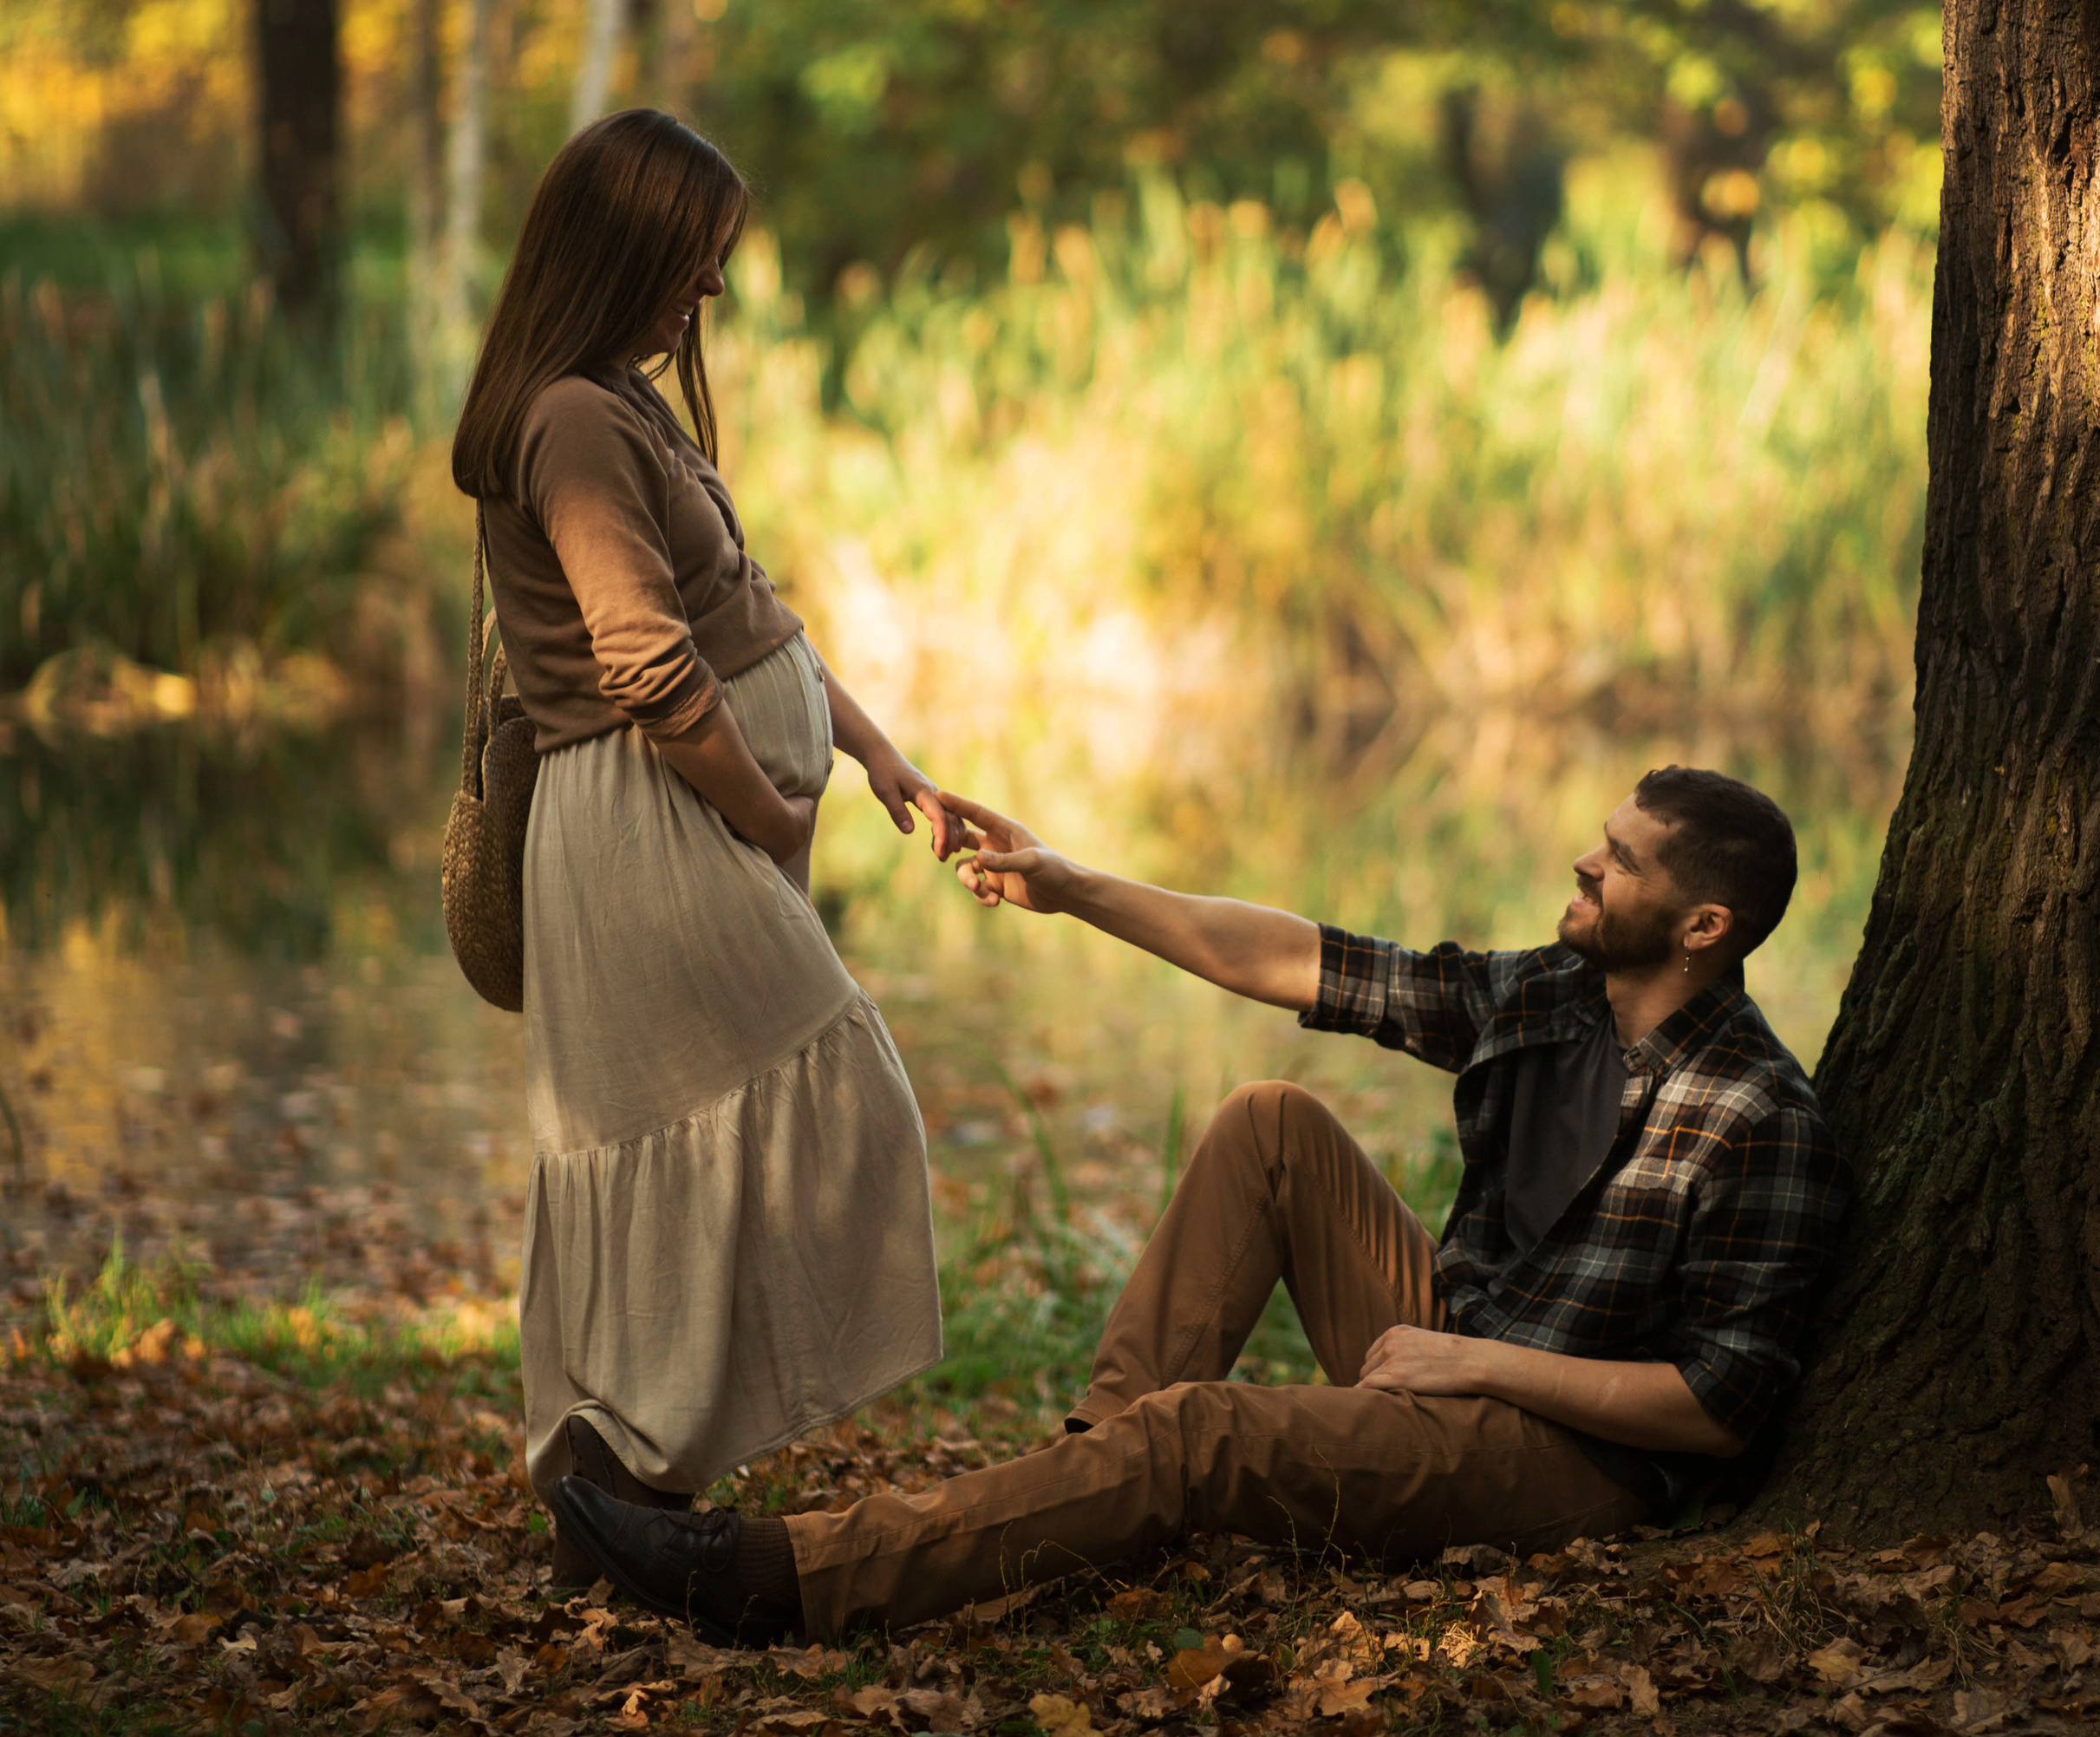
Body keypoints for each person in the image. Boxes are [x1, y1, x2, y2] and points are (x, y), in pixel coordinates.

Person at [554, 764, 1851, 1637]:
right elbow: (1300, 960)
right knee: (1266, 1123)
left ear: (1704, 927)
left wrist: (1478, 1364)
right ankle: (1077, 1502)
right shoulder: (1550, 999)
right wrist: (1071, 887)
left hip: (1570, 1455)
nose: (1584, 859)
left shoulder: (1758, 1118)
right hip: (1450, 1355)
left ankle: (783, 1580)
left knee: (1200, 1437)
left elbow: (1719, 1411)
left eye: (1620, 861)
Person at [451, 108, 950, 1586]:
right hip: (648, 828)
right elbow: (652, 667)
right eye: (694, 259)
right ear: (623, 252)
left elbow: (747, 610)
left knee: (729, 1129)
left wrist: (871, 751)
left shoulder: (618, 400)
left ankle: (631, 1480)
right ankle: (618, 1471)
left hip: (681, 818)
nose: (710, 293)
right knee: (799, 1103)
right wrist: (771, 810)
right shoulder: (574, 422)